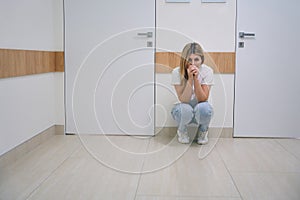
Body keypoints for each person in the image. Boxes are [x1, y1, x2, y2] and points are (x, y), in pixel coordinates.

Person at [171, 42, 214, 144]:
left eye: (196, 60)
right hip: (185, 110)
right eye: (189, 60)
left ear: (202, 60)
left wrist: (196, 79)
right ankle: (182, 130)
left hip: (200, 109)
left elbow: (203, 99)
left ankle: (203, 131)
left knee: (205, 108)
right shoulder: (177, 72)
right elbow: (184, 99)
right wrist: (190, 78)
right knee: (183, 109)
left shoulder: (207, 71)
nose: (193, 64)